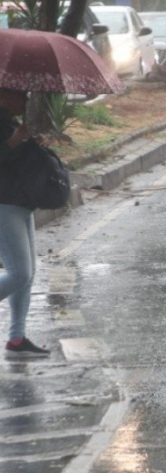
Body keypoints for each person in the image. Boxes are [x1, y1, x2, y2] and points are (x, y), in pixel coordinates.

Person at [0, 89, 50, 358]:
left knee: (27, 274)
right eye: (21, 95)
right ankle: (16, 337)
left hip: (21, 202)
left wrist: (32, 144)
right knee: (18, 272)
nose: (26, 100)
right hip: (4, 205)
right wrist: (12, 143)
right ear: (4, 95)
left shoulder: (9, 121)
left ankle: (17, 338)